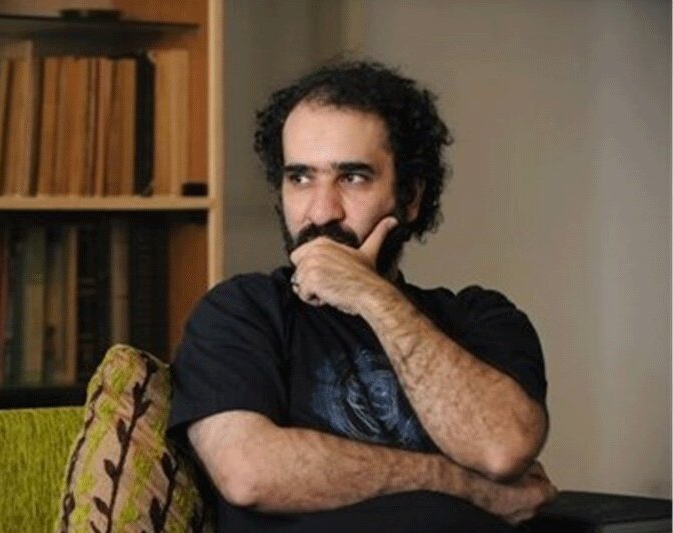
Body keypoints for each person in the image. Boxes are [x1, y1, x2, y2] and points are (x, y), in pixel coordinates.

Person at [167, 61, 557, 532]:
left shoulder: (480, 317)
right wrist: (460, 483)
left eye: (352, 177)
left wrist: (371, 295)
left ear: (410, 197)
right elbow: (248, 472)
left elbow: (502, 449)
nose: (321, 212)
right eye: (300, 178)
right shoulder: (242, 312)